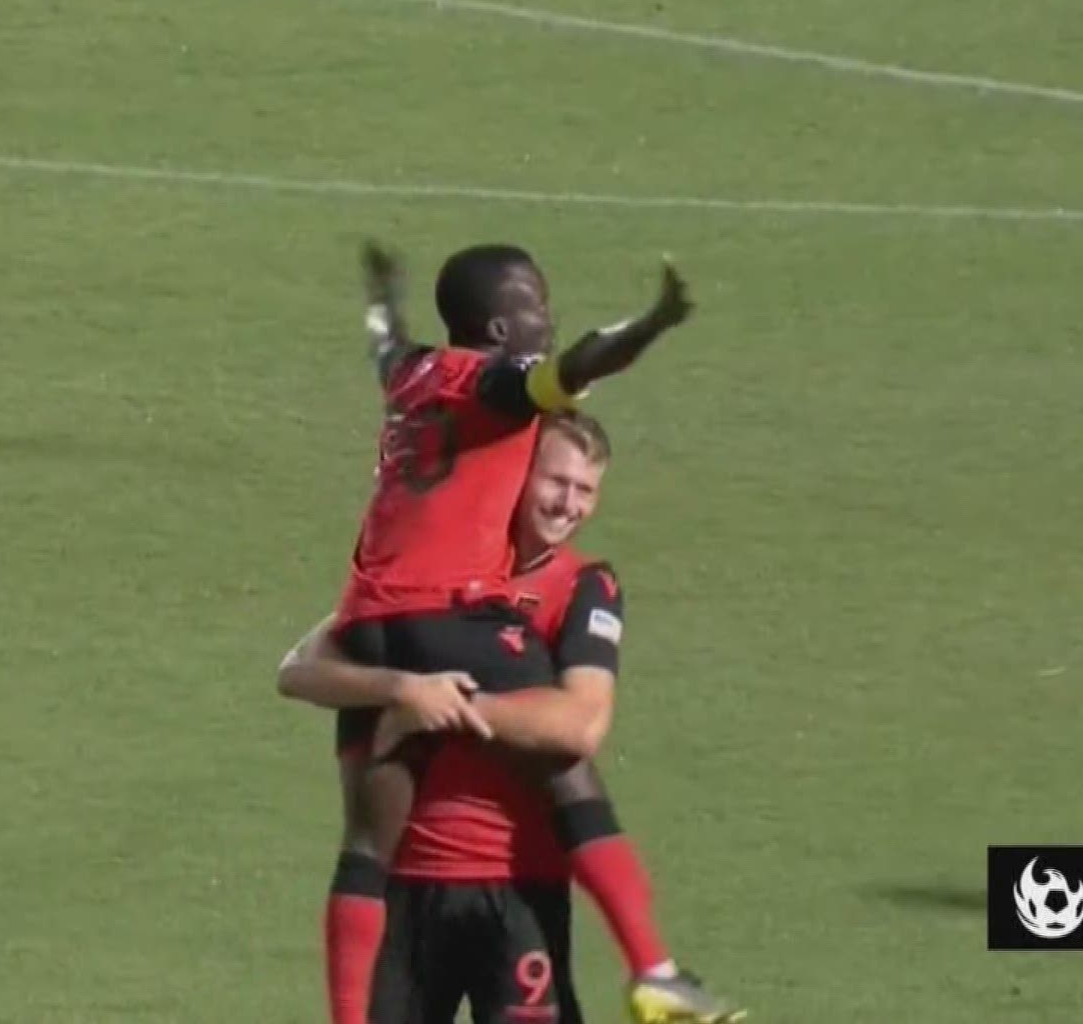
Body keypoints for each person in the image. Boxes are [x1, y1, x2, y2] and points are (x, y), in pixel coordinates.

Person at [316, 240, 695, 1024]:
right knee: (562, 758)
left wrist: (383, 300)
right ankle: (653, 968)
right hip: (444, 612)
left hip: (364, 618)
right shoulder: (502, 386)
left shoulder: (411, 376)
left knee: (364, 843)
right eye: (533, 304)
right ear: (497, 326)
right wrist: (653, 322)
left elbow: (384, 344)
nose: (545, 319)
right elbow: (589, 361)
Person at [283, 412, 745, 1024]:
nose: (568, 504)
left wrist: (456, 708)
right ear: (515, 475)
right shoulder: (428, 567)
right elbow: (301, 670)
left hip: (520, 890)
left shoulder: (582, 586)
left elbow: (580, 723)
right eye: (556, 481)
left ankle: (653, 973)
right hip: (406, 889)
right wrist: (405, 691)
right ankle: (655, 971)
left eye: (586, 490)